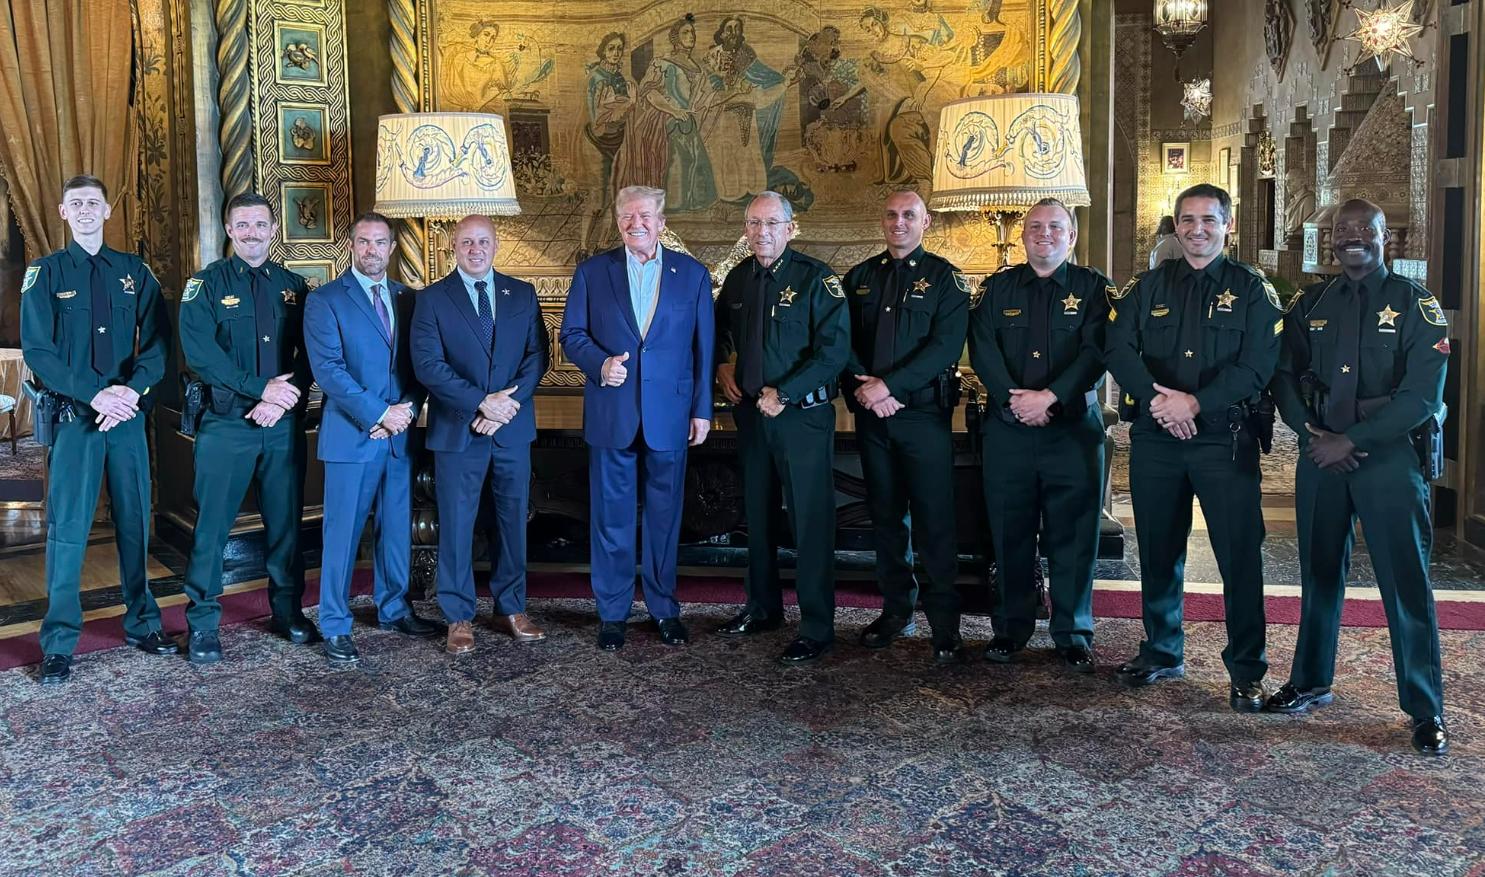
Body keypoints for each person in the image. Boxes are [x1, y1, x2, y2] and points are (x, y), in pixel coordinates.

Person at [1268, 199, 1450, 756]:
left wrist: (1354, 440)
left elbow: (1423, 397)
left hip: (1388, 455)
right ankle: (1310, 680)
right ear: (1330, 241)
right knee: (1318, 570)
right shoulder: (1311, 303)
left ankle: (1425, 708)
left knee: (1405, 580)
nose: (1351, 239)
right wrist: (1312, 434)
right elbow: (1282, 374)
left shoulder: (1417, 306)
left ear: (1384, 237)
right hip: (1322, 452)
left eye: (1363, 231)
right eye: (1340, 231)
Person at [1103, 183, 1280, 711]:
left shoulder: (1252, 289)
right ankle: (1161, 650)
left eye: (1208, 219)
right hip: (1157, 436)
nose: (1197, 229)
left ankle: (1247, 668)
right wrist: (1161, 402)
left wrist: (1194, 404)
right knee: (1158, 549)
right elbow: (1115, 346)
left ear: (1227, 225)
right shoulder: (1147, 286)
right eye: (1187, 220)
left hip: (1224, 440)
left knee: (1239, 556)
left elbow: (1258, 364)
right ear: (1175, 226)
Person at [20, 174, 175, 684]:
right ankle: (60, 641)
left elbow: (157, 343)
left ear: (109, 211)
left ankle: (143, 623)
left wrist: (129, 393)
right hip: (76, 421)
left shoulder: (134, 272)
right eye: (75, 203)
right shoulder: (43, 274)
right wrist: (96, 394)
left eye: (94, 202)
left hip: (127, 419)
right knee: (68, 530)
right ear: (63, 214)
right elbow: (39, 351)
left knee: (136, 522)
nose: (85, 209)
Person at [559, 186, 715, 651]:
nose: (635, 224)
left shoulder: (693, 275)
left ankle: (664, 608)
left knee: (666, 517)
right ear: (618, 222)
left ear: (662, 222)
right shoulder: (592, 272)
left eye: (644, 216)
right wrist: (600, 363)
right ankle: (612, 613)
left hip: (671, 414)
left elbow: (704, 349)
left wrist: (702, 410)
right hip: (613, 411)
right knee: (612, 517)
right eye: (627, 217)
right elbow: (571, 334)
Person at [969, 198, 1112, 673]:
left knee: (1073, 535)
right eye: (1034, 226)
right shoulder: (997, 289)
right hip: (1009, 430)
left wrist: (1049, 397)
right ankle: (1011, 628)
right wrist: (1016, 401)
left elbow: (1097, 352)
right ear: (1024, 234)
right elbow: (983, 349)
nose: (1043, 234)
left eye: (1055, 227)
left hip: (1072, 430)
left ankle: (1072, 631)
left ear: (1071, 236)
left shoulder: (1095, 289)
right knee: (1010, 532)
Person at [178, 192, 316, 664]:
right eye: (243, 225)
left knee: (286, 525)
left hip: (281, 425)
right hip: (226, 425)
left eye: (261, 224)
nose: (252, 232)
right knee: (212, 528)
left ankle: (288, 612)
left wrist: (281, 400)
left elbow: (310, 355)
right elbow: (200, 354)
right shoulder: (205, 286)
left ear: (274, 230)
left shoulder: (296, 286)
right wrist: (262, 390)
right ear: (229, 231)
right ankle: (201, 623)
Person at [714, 191, 850, 665]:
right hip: (752, 417)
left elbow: (834, 352)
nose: (762, 232)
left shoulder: (817, 280)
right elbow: (720, 335)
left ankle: (816, 626)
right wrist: (723, 366)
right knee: (758, 516)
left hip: (801, 418)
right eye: (753, 223)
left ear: (791, 228)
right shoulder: (737, 279)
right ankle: (762, 608)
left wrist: (786, 392)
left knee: (810, 522)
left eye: (772, 223)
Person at [410, 214, 550, 655]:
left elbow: (536, 357)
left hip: (511, 429)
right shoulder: (431, 299)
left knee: (514, 522)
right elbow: (428, 365)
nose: (476, 249)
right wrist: (480, 403)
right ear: (454, 246)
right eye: (467, 241)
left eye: (483, 241)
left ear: (495, 245)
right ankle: (458, 615)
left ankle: (512, 607)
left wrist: (504, 407)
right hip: (459, 430)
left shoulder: (521, 294)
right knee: (456, 523)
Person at [303, 212, 439, 664]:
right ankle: (336, 623)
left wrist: (405, 412)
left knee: (396, 528)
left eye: (380, 243)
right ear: (352, 245)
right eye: (363, 242)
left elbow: (422, 364)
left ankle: (394, 608)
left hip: (399, 436)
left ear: (392, 248)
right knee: (342, 534)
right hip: (352, 436)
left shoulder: (409, 299)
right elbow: (329, 372)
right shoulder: (325, 300)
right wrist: (379, 413)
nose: (372, 251)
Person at [840, 189, 969, 663]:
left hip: (922, 417)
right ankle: (897, 611)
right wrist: (869, 390)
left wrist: (888, 387)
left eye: (909, 215)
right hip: (873, 417)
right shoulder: (859, 278)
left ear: (925, 222)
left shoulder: (946, 280)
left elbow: (945, 347)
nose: (899, 222)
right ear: (883, 221)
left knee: (935, 522)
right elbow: (842, 341)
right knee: (887, 519)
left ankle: (944, 624)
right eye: (892, 214)